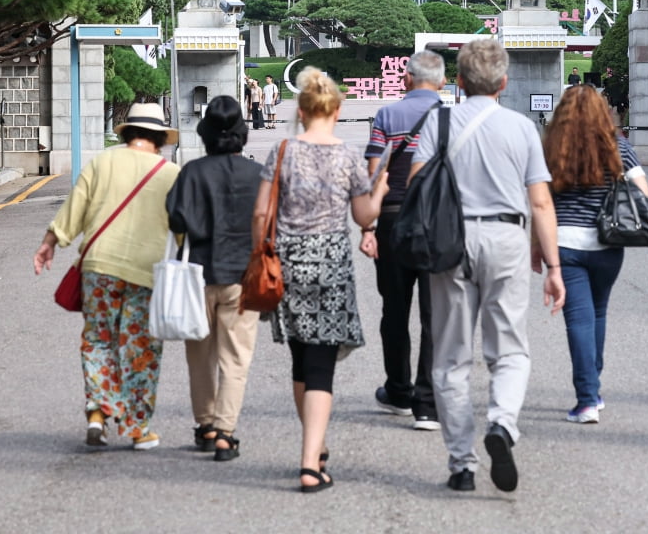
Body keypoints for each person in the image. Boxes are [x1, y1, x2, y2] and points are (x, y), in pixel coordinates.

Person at [410, 39, 563, 493]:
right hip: (506, 237)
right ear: (504, 82)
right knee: (510, 348)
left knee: (451, 356)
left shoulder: (436, 123)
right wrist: (553, 265)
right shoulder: (521, 128)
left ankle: (462, 464)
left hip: (451, 240)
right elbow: (540, 201)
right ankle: (501, 422)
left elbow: (417, 183)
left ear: (457, 81)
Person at [254, 67, 390, 493]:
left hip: (289, 265)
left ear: (301, 108)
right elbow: (363, 216)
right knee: (320, 366)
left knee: (301, 361)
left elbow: (261, 214)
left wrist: (262, 248)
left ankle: (316, 445)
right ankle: (310, 461)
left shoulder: (280, 151)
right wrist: (380, 190)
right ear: (336, 108)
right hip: (330, 264)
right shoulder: (348, 155)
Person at [33, 102, 180, 451]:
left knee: (98, 340)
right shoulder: (170, 173)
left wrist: (50, 242)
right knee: (139, 347)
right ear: (159, 138)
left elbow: (75, 207)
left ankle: (98, 412)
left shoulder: (102, 162)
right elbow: (184, 227)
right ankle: (137, 428)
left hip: (98, 268)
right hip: (145, 273)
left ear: (127, 132)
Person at [541, 84, 648, 424]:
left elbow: (540, 201)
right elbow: (642, 191)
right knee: (598, 314)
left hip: (566, 245)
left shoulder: (551, 148)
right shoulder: (618, 146)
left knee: (579, 320)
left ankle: (587, 397)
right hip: (608, 244)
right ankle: (593, 388)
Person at [166, 96, 262, 461]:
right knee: (235, 359)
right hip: (242, 277)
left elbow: (176, 219)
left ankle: (205, 425)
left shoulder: (192, 172)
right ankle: (225, 432)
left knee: (200, 357)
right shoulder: (257, 175)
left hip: (197, 278)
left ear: (205, 133)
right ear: (241, 134)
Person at [360, 50, 446, 430]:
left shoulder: (388, 115)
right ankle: (427, 401)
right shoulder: (452, 117)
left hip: (393, 220)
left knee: (394, 309)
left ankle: (398, 390)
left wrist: (367, 227)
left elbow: (373, 172)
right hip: (438, 224)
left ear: (406, 80)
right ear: (442, 82)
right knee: (435, 314)